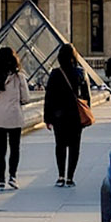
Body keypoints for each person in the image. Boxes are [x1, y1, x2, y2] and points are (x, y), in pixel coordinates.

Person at [44, 44, 90, 187]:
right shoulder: (81, 73)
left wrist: (47, 118)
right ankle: (70, 177)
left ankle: (60, 176)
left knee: (60, 146)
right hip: (76, 115)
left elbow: (49, 97)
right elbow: (87, 97)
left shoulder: (55, 73)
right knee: (75, 147)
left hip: (59, 116)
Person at [0, 47, 26, 190]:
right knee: (15, 148)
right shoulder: (19, 76)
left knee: (0, 150)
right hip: (14, 116)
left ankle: (1, 180)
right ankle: (13, 177)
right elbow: (26, 98)